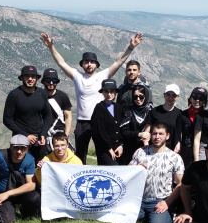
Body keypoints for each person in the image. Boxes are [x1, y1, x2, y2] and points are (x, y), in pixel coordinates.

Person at [40, 32, 143, 164]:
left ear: (97, 65)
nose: (89, 64)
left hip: (100, 122)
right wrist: (51, 47)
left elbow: (119, 62)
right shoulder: (77, 76)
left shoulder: (103, 76)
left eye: (92, 62)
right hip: (82, 122)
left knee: (103, 152)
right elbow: (61, 63)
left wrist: (131, 47)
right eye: (86, 62)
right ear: (82, 64)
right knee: (80, 155)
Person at [129, 123, 184, 223]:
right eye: (154, 133)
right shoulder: (140, 152)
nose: (157, 137)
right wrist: (135, 168)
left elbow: (180, 184)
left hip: (160, 201)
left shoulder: (174, 157)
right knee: (123, 221)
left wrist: (167, 202)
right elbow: (126, 174)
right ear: (150, 135)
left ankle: (160, 216)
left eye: (161, 134)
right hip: (139, 198)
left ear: (167, 136)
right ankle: (145, 216)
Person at [0, 135, 41, 223]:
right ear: (10, 147)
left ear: (27, 148)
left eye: (23, 148)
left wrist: (8, 194)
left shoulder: (29, 159)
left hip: (17, 193)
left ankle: (24, 213)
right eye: (16, 148)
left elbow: (31, 185)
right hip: (0, 195)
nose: (19, 151)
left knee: (36, 197)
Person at [3, 65, 53, 163]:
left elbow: (48, 116)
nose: (30, 79)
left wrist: (43, 134)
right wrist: (25, 135)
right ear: (22, 78)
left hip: (39, 141)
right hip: (20, 141)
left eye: (33, 76)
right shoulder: (14, 94)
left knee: (40, 167)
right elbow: (7, 119)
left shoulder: (41, 93)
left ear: (37, 78)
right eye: (27, 76)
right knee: (20, 167)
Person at [90, 79, 124, 165]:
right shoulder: (99, 108)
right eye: (106, 91)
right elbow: (98, 131)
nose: (109, 94)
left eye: (111, 91)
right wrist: (109, 148)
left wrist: (121, 145)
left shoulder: (118, 107)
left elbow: (122, 127)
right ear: (102, 93)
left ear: (115, 92)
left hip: (117, 148)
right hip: (104, 149)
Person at [39, 68, 73, 150]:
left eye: (54, 81)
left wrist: (66, 135)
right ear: (44, 81)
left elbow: (68, 116)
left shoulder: (63, 96)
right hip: (42, 134)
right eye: (48, 80)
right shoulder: (38, 96)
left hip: (59, 134)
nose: (51, 83)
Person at [143, 84, 183, 152]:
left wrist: (178, 143)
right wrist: (147, 148)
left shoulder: (179, 113)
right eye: (168, 95)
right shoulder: (154, 111)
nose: (170, 98)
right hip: (154, 148)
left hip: (170, 149)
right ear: (164, 95)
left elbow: (178, 133)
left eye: (174, 95)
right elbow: (147, 132)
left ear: (178, 97)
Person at [119, 85, 153, 165]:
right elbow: (124, 131)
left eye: (141, 96)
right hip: (129, 150)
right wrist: (139, 134)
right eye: (135, 97)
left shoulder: (151, 111)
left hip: (146, 149)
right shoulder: (128, 111)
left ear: (146, 96)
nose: (138, 99)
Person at [179, 87, 208, 167]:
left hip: (202, 153)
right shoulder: (182, 115)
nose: (197, 100)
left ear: (205, 101)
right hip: (186, 154)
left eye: (201, 98)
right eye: (195, 97)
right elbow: (177, 134)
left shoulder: (207, 116)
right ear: (190, 98)